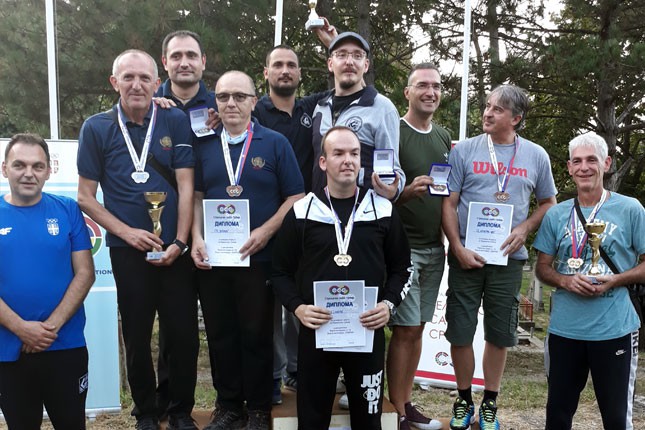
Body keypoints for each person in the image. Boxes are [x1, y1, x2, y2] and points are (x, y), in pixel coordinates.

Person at [77, 49, 199, 430]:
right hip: (127, 251)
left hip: (175, 249)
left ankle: (179, 410)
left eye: (145, 78)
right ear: (114, 82)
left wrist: (180, 242)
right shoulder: (96, 128)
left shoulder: (174, 119)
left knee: (182, 334)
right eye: (128, 77)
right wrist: (127, 233)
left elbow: (186, 184)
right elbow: (85, 197)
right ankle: (145, 412)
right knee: (136, 333)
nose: (136, 85)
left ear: (157, 83)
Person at [272, 126, 413, 430]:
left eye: (354, 153)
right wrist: (298, 307)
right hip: (317, 333)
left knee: (368, 422)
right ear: (323, 162)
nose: (348, 160)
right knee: (312, 422)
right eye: (338, 153)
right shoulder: (302, 212)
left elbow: (404, 268)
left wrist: (388, 305)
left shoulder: (382, 210)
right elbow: (278, 271)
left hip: (366, 331)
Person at [190, 70, 304, 430]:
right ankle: (228, 406)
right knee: (220, 333)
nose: (231, 103)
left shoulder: (274, 143)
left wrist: (266, 231)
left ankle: (257, 408)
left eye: (239, 96)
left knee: (256, 334)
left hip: (258, 257)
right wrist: (196, 237)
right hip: (214, 259)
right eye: (223, 96)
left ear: (254, 101)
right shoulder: (204, 144)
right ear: (216, 102)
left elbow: (296, 196)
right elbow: (196, 196)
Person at [441, 84, 557, 429]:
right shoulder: (464, 151)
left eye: (497, 109)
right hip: (466, 256)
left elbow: (548, 202)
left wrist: (525, 228)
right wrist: (456, 247)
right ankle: (463, 401)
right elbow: (448, 202)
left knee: (499, 334)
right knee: (460, 332)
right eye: (487, 106)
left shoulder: (536, 155)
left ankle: (490, 402)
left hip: (508, 259)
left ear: (516, 119)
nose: (487, 113)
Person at [533, 132, 644, 430]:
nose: (584, 167)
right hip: (564, 330)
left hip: (615, 329)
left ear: (606, 163)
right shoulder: (556, 214)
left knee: (616, 418)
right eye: (577, 161)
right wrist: (565, 281)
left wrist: (615, 280)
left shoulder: (631, 209)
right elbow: (542, 268)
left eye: (591, 160)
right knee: (557, 416)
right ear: (569, 168)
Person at [0, 134, 95, 430]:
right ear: (4, 169)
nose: (29, 173)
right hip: (8, 350)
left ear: (48, 171)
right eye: (19, 165)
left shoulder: (67, 209)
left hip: (65, 345)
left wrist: (49, 328)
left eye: (37, 166)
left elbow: (85, 273)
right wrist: (21, 328)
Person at [253, 44, 327, 403]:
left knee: (302, 301)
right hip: (268, 219)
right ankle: (274, 375)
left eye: (291, 65)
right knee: (269, 306)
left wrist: (329, 42)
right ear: (266, 73)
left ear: (299, 73)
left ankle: (299, 372)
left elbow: (347, 80)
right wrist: (163, 95)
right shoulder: (254, 111)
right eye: (278, 65)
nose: (285, 70)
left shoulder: (310, 108)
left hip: (306, 222)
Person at [154, 29, 216, 419]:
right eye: (176, 56)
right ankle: (168, 404)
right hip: (170, 229)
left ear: (203, 62)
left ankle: (226, 404)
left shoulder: (223, 103)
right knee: (174, 328)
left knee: (220, 324)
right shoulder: (149, 105)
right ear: (165, 62)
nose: (184, 62)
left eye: (191, 55)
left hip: (216, 228)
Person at [387, 63, 450, 430]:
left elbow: (447, 195)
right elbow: (379, 191)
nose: (430, 92)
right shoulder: (394, 131)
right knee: (405, 328)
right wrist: (404, 194)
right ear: (407, 92)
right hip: (403, 247)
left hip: (434, 248)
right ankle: (397, 409)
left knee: (419, 327)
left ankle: (406, 402)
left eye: (436, 86)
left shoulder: (443, 136)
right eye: (422, 85)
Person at [309, 30, 404, 201]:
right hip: (320, 210)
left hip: (364, 212)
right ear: (330, 64)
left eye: (357, 56)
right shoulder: (320, 108)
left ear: (366, 65)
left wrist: (393, 190)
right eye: (342, 55)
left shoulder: (382, 108)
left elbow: (394, 172)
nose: (349, 61)